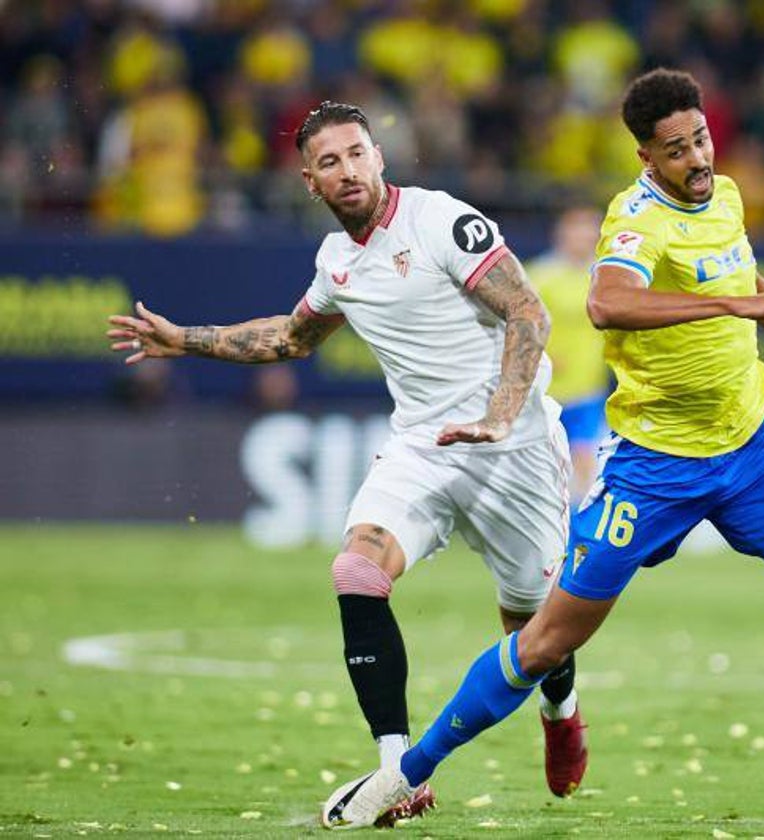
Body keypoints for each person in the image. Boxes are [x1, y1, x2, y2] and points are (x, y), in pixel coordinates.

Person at [379, 68, 764, 833]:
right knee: (544, 643)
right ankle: (403, 776)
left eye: (701, 138)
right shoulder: (634, 219)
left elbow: (756, 292)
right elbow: (608, 301)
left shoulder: (731, 195)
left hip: (754, 451)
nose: (697, 158)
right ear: (647, 157)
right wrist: (731, 302)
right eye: (676, 150)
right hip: (655, 466)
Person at [106, 101, 588, 829]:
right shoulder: (337, 261)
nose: (348, 169)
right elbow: (293, 338)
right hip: (423, 447)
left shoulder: (440, 221)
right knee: (357, 567)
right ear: (310, 181)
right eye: (330, 162)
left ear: (379, 157)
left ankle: (562, 713)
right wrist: (188, 340)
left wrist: (498, 411)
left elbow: (528, 313)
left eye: (357, 153)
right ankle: (398, 770)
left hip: (512, 448)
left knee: (537, 634)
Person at [525, 205, 609, 501]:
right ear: (562, 234)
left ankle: (581, 528)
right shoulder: (541, 276)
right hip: (547, 391)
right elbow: (517, 324)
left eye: (591, 230)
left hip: (588, 388)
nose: (585, 236)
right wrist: (542, 355)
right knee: (546, 463)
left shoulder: (604, 276)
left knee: (585, 456)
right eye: (579, 229)